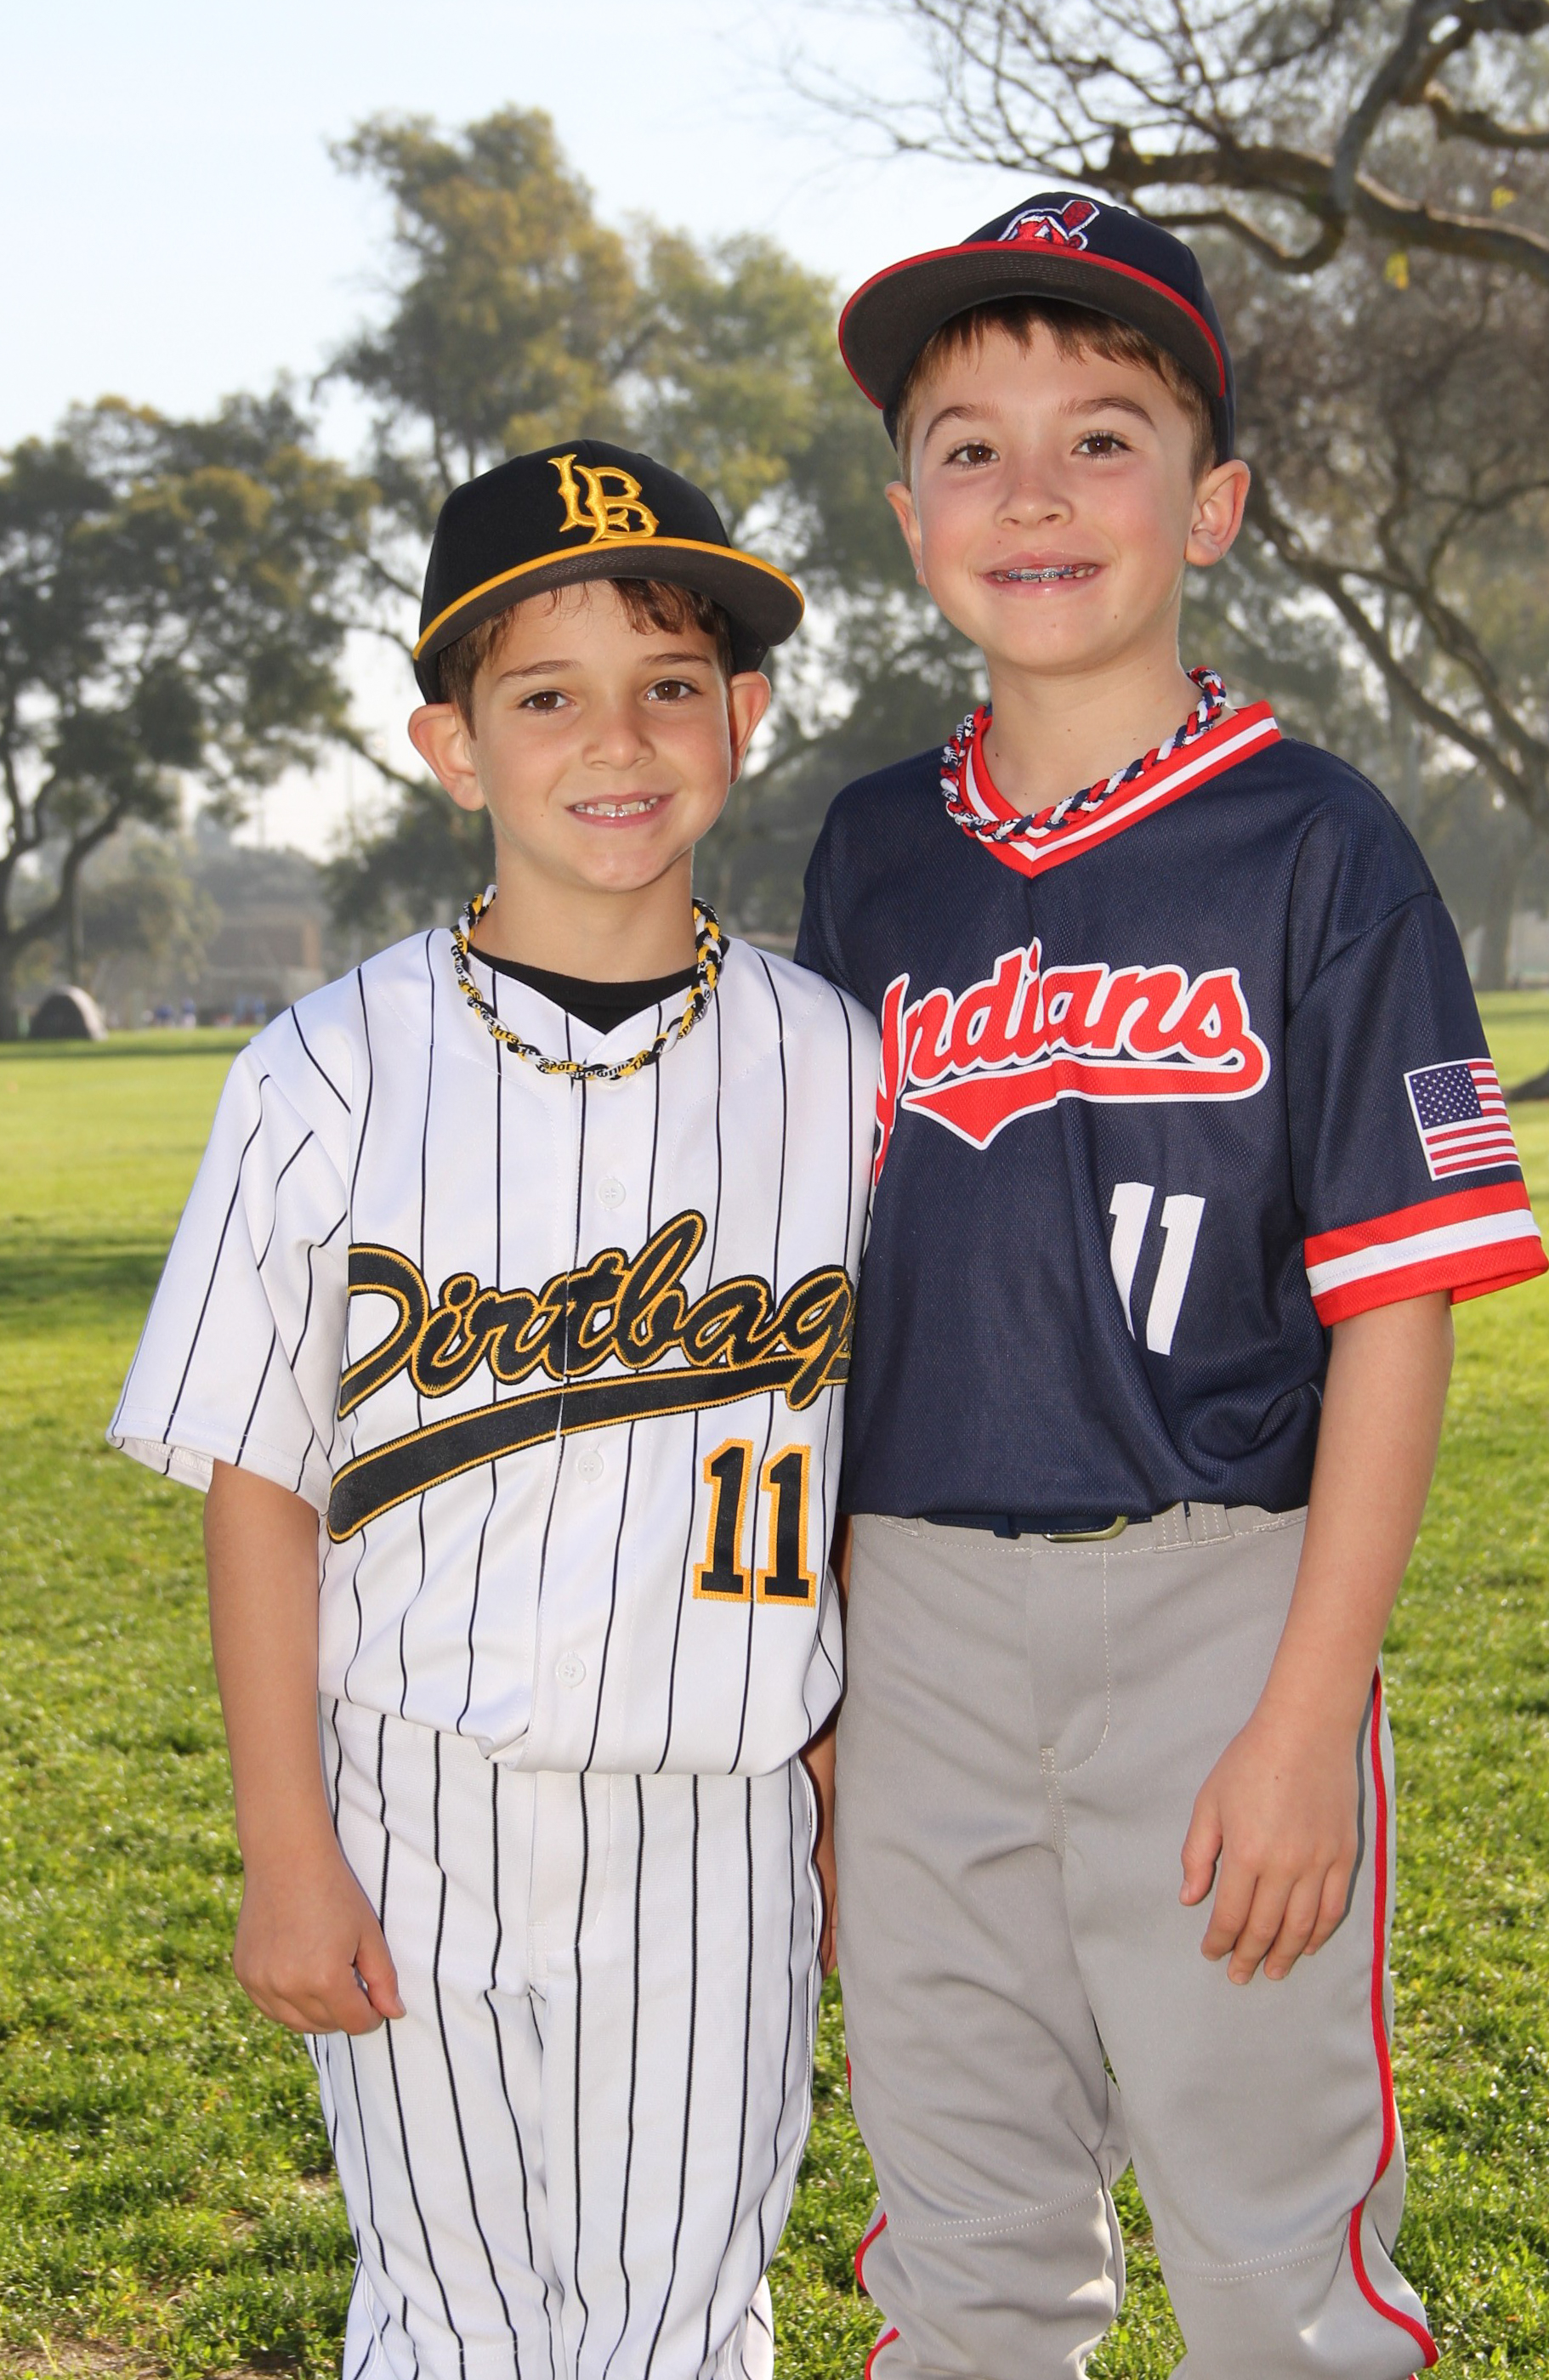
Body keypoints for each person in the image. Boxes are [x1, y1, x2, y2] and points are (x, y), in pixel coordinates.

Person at [798, 195, 1549, 2379]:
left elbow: (1394, 1306)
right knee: (959, 2252)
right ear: (908, 515)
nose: (1032, 491)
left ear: (1210, 504)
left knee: (1271, 2267)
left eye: (1102, 438)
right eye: (969, 446)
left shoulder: (1319, 843)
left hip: (1225, 1601)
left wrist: (1307, 1716)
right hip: (911, 1612)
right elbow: (818, 1304)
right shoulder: (868, 855)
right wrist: (826, 1695)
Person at [111, 439, 879, 2380]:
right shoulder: (325, 1068)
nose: (615, 738)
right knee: (444, 2313)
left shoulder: (840, 1065)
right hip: (410, 1795)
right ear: (450, 746)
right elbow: (261, 1480)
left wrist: (850, 1796)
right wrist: (285, 1844)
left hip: (716, 1801)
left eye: (670, 683)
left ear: (745, 718)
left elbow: (878, 1466)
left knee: (681, 2319)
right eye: (545, 696)